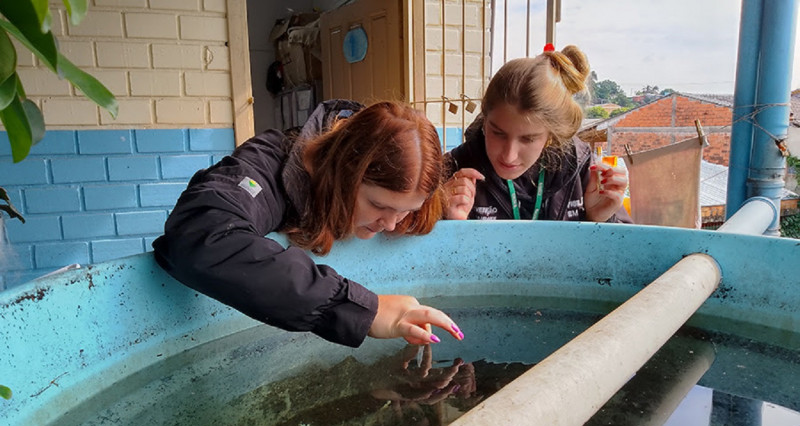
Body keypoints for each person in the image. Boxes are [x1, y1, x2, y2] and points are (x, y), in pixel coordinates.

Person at [152, 100, 465, 348]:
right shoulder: (265, 168)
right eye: (378, 205)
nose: (392, 225)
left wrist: (451, 217)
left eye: (406, 211)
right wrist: (363, 309)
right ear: (344, 174)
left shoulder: (403, 198)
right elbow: (202, 234)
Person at [444, 44, 632, 223]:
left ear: (551, 136)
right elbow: (429, 239)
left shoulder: (581, 166)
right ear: (484, 120)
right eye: (498, 133)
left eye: (528, 139)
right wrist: (446, 221)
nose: (509, 156)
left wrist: (600, 219)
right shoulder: (451, 171)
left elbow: (629, 243)